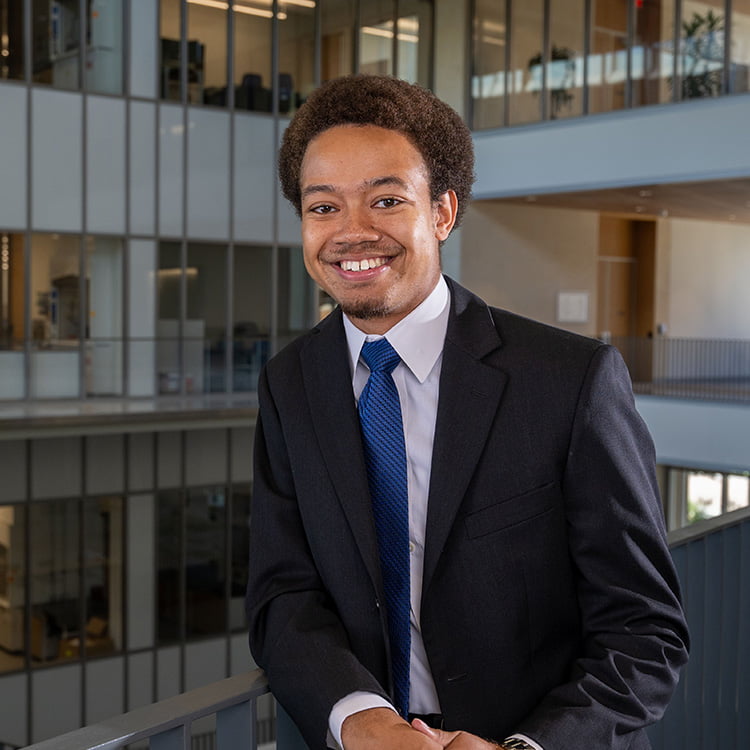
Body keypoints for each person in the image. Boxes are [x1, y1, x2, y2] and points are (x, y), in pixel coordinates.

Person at [246, 74, 689, 750]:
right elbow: (283, 595)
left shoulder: (569, 380)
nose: (351, 232)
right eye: (323, 207)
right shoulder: (289, 384)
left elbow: (645, 631)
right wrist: (359, 717)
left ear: (443, 213)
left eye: (386, 200)